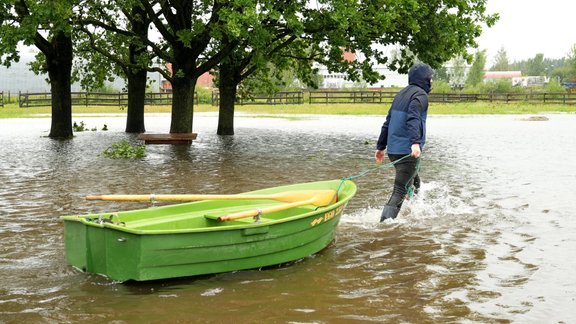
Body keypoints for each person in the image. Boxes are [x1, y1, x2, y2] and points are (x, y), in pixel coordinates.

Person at [374, 63, 433, 221]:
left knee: (415, 182)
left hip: (394, 151)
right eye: (430, 78)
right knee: (400, 190)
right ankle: (384, 227)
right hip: (407, 151)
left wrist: (381, 147)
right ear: (425, 79)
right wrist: (415, 143)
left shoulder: (400, 95)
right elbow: (413, 116)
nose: (432, 82)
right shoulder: (421, 95)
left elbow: (388, 121)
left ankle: (414, 213)